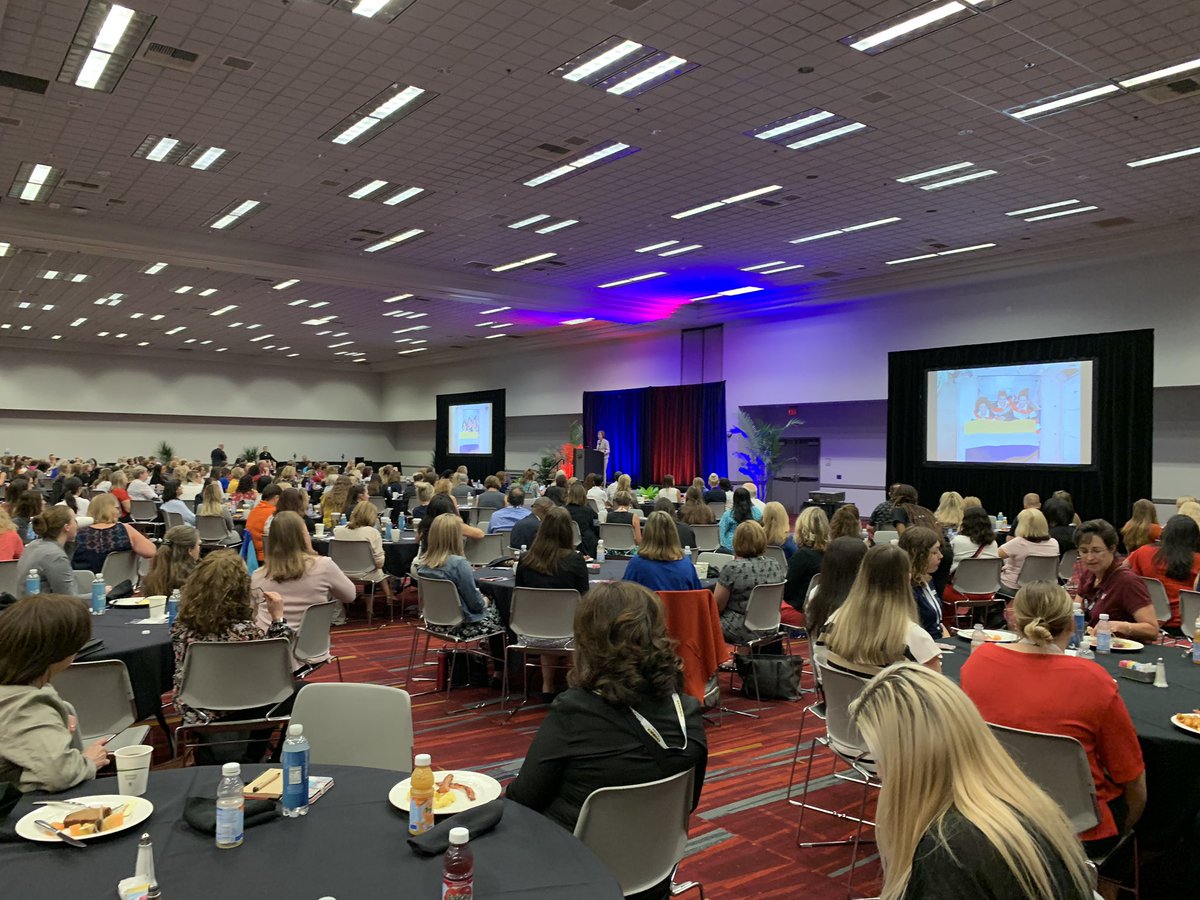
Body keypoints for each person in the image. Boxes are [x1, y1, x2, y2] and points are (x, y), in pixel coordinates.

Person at [848, 663, 1094, 900]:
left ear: (907, 763)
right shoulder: (1022, 802)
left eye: (878, 758)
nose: (879, 772)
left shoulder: (948, 850)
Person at [507, 581, 707, 851]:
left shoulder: (575, 711)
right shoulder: (688, 712)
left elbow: (523, 799)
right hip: (653, 867)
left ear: (587, 639)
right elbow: (688, 804)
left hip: (573, 868)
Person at [961, 582, 1146, 852]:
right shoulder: (1093, 680)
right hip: (1081, 830)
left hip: (995, 814)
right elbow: (1133, 778)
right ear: (1072, 624)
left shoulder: (979, 661)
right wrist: (1127, 828)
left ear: (1014, 619)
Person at [0, 594, 112, 792]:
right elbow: (59, 774)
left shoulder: (17, 688)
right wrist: (87, 761)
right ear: (62, 651)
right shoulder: (26, 705)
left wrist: (52, 725)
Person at [172, 551, 294, 725]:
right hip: (242, 704)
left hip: (195, 707)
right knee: (303, 692)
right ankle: (255, 751)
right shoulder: (245, 632)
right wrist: (278, 619)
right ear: (241, 588)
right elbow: (278, 665)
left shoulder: (180, 625)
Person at [820, 544, 941, 676]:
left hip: (842, 696)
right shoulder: (914, 638)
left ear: (862, 576)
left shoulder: (834, 621)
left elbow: (821, 667)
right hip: (891, 696)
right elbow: (935, 693)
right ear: (907, 579)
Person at [515, 507, 590, 697]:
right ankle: (575, 686)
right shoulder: (575, 560)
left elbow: (521, 595)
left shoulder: (525, 559)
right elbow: (585, 597)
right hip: (569, 634)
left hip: (529, 631)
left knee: (548, 619)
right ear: (568, 531)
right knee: (577, 621)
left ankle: (547, 686)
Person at [254, 511, 357, 639]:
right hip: (310, 648)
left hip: (269, 650)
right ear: (303, 537)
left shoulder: (257, 576)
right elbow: (350, 595)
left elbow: (251, 615)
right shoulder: (324, 566)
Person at [413, 513, 502, 639]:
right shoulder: (458, 564)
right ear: (456, 537)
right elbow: (475, 604)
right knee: (503, 611)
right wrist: (485, 600)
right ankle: (501, 657)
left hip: (433, 622)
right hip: (462, 626)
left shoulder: (423, 563)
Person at [1075, 520, 1158, 643]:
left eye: (1097, 551)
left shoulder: (1127, 582)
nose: (1089, 558)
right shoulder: (1089, 575)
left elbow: (1152, 630)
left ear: (1112, 549)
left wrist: (1121, 626)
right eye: (1084, 551)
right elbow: (1076, 610)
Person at [714, 520, 785, 644]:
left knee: (702, 620)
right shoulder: (776, 565)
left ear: (737, 541)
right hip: (771, 624)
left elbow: (717, 606)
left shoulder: (732, 568)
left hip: (739, 628)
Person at [1125, 514, 1200, 629]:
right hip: (1189, 624)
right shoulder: (1197, 560)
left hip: (1148, 617)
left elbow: (1121, 572)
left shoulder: (1143, 552)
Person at [803, 536, 868, 643]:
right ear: (864, 566)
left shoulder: (816, 593)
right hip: (853, 657)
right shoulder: (868, 597)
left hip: (820, 657)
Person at [71, 493, 157, 573]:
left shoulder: (78, 533)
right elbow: (151, 551)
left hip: (84, 585)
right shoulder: (125, 529)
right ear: (114, 510)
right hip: (119, 582)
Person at [623, 511, 703, 593]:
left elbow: (625, 596)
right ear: (674, 534)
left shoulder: (636, 565)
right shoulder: (687, 565)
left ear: (646, 533)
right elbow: (698, 596)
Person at [332, 500, 394, 605]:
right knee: (375, 568)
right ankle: (374, 606)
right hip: (366, 573)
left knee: (372, 568)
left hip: (341, 572)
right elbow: (380, 563)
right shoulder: (372, 533)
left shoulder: (338, 531)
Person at [897, 526, 946, 642]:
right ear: (918, 554)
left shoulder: (926, 579)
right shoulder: (907, 587)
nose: (941, 556)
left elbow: (938, 624)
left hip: (938, 642)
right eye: (934, 552)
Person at [16, 508, 80, 595]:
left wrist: (71, 543)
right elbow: (68, 599)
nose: (77, 524)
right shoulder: (55, 556)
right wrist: (101, 592)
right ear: (66, 527)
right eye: (74, 520)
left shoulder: (33, 545)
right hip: (43, 607)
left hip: (26, 605)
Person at [997, 508, 1059, 595]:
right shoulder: (1054, 543)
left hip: (1014, 588)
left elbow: (993, 556)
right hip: (1044, 588)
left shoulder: (1018, 542)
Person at [782, 506, 829, 616]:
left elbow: (786, 592)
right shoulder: (831, 554)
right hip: (820, 609)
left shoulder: (802, 556)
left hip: (799, 609)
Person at [141, 525, 200, 597]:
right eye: (198, 544)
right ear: (190, 550)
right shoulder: (197, 579)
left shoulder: (151, 577)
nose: (199, 548)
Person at [948, 505, 1000, 573]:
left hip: (961, 582)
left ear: (965, 523)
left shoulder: (957, 541)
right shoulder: (993, 543)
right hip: (988, 582)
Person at [245, 482, 282, 563]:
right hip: (268, 555)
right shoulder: (274, 513)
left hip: (252, 554)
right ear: (276, 498)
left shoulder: (253, 511)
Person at [718, 486, 761, 553]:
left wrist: (725, 547)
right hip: (752, 545)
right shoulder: (757, 512)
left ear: (734, 499)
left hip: (731, 547)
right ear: (748, 498)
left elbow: (722, 531)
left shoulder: (728, 514)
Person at [197, 480, 240, 546]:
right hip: (223, 539)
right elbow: (231, 526)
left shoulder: (199, 507)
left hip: (204, 538)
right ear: (218, 494)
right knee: (239, 530)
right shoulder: (223, 508)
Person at [564, 482, 598, 557]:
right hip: (586, 545)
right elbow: (597, 527)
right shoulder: (589, 511)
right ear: (584, 495)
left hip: (566, 542)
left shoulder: (563, 510)